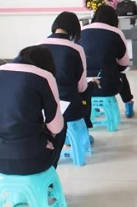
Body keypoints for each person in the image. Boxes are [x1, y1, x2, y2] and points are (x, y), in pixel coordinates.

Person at [0, 45, 66, 175]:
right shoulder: (44, 76)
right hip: (33, 159)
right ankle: (48, 176)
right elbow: (56, 128)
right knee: (62, 126)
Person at [41, 12, 97, 143]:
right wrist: (93, 84)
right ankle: (83, 133)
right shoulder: (76, 49)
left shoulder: (37, 45)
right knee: (88, 90)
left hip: (43, 107)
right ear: (74, 29)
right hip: (69, 108)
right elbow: (81, 87)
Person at [78, 5, 135, 119]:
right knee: (121, 75)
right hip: (109, 86)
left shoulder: (81, 31)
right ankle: (128, 103)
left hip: (84, 86)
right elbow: (124, 63)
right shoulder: (116, 32)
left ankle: (94, 108)